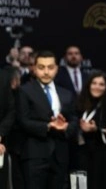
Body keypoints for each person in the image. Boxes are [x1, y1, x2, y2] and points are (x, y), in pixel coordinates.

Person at [17, 50, 77, 189]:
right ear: (34, 68)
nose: (46, 72)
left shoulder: (66, 93)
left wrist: (66, 126)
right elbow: (23, 121)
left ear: (57, 68)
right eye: (41, 67)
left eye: (50, 67)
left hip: (60, 155)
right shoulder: (25, 90)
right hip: (35, 155)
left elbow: (74, 120)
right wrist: (48, 126)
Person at [76, 70, 106, 189]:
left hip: (105, 155)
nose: (97, 87)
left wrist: (96, 129)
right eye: (94, 83)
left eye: (101, 84)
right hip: (82, 153)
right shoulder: (80, 103)